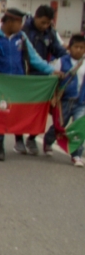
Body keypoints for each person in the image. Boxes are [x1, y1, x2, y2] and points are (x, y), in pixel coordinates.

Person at [0, 8, 56, 161]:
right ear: (9, 22)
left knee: (16, 112)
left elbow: (34, 58)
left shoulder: (22, 37)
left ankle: (23, 140)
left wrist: (51, 71)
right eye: (18, 22)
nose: (21, 25)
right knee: (0, 112)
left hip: (17, 83)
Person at [15, 5, 68, 155]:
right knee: (21, 109)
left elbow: (59, 51)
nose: (45, 26)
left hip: (43, 78)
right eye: (43, 22)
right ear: (36, 17)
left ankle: (32, 138)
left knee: (40, 111)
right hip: (25, 76)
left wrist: (70, 59)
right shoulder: (23, 32)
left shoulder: (50, 33)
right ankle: (18, 139)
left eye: (48, 23)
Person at [43, 34, 85, 165]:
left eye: (82, 47)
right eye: (76, 47)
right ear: (69, 47)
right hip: (64, 100)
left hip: (81, 101)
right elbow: (53, 79)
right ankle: (48, 141)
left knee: (79, 127)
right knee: (59, 125)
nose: (79, 50)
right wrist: (53, 97)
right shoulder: (62, 61)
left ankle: (76, 155)